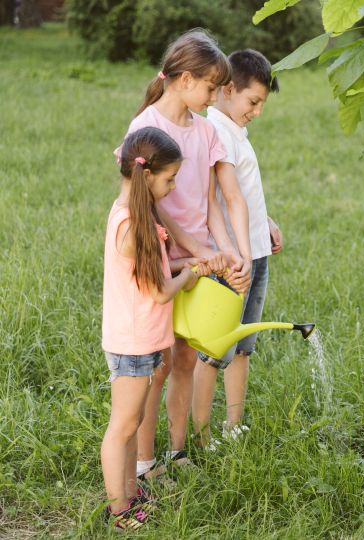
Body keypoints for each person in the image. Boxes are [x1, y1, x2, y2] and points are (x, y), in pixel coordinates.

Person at [115, 29, 253, 481]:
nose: (216, 96)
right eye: (212, 87)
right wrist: (196, 251)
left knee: (185, 360)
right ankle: (144, 461)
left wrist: (225, 252)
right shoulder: (146, 127)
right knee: (155, 366)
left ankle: (176, 452)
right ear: (187, 80)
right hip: (167, 262)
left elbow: (213, 202)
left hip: (198, 261)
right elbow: (149, 204)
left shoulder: (207, 129)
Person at [101, 127, 208, 529]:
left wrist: (189, 266)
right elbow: (162, 291)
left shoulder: (139, 215)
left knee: (131, 424)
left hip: (144, 338)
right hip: (131, 342)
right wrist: (190, 275)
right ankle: (119, 510)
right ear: (147, 175)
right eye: (170, 178)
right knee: (123, 426)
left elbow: (159, 272)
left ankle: (130, 489)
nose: (173, 185)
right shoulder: (130, 227)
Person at [191, 49, 283, 448]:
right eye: (253, 101)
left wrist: (266, 225)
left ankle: (233, 424)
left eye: (262, 103)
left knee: (243, 346)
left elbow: (246, 196)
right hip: (232, 261)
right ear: (228, 90)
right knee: (215, 350)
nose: (257, 111)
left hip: (256, 253)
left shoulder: (236, 132)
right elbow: (221, 201)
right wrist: (236, 254)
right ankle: (201, 433)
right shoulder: (215, 131)